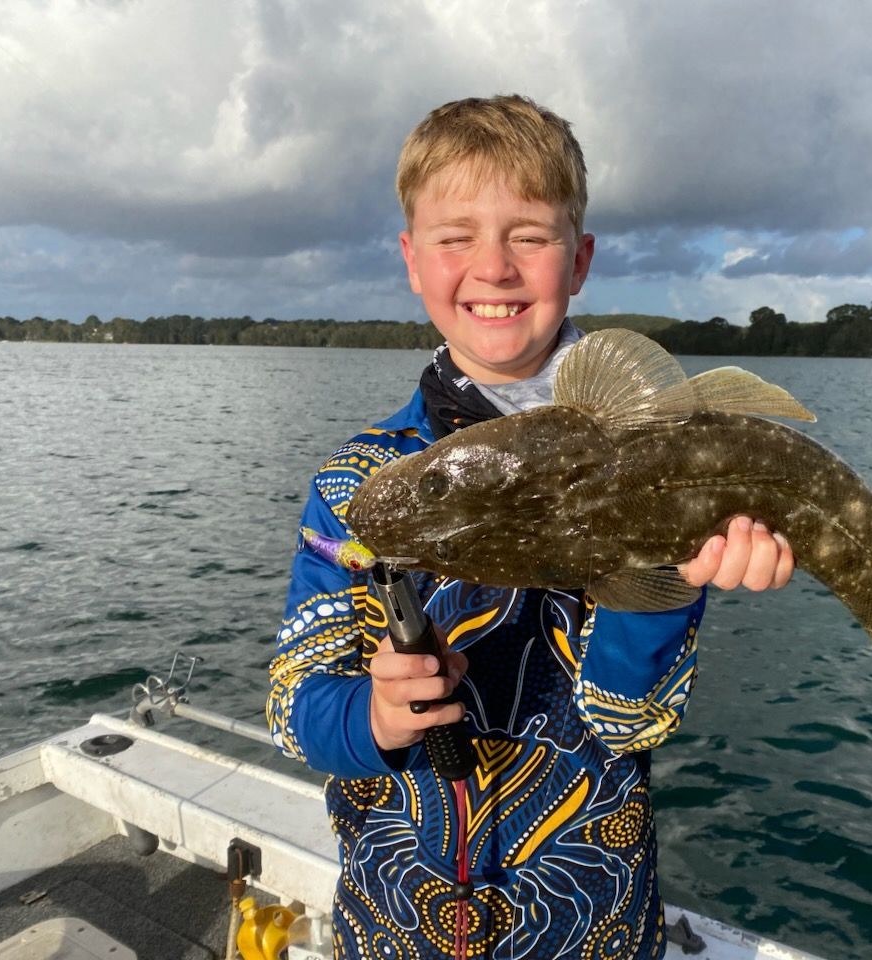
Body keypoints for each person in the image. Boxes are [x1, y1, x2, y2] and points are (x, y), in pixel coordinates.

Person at [268, 94, 793, 960]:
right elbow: (296, 707)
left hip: (592, 927)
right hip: (395, 924)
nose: (494, 266)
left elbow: (630, 720)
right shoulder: (353, 484)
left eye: (530, 235)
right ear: (411, 259)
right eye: (456, 235)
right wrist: (378, 713)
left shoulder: (654, 460)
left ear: (579, 259)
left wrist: (670, 587)